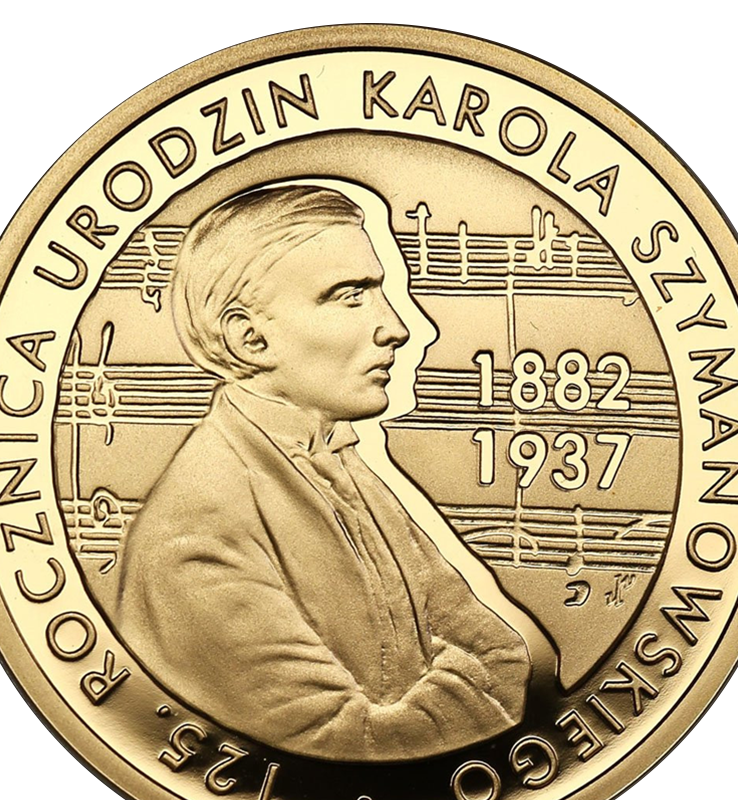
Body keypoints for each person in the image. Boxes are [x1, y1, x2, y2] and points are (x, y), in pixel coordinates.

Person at [117, 184, 531, 762]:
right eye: (350, 297)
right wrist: (462, 685)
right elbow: (349, 753)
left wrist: (442, 688)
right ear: (250, 338)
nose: (397, 328)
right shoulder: (200, 532)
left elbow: (505, 657)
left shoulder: (338, 461)